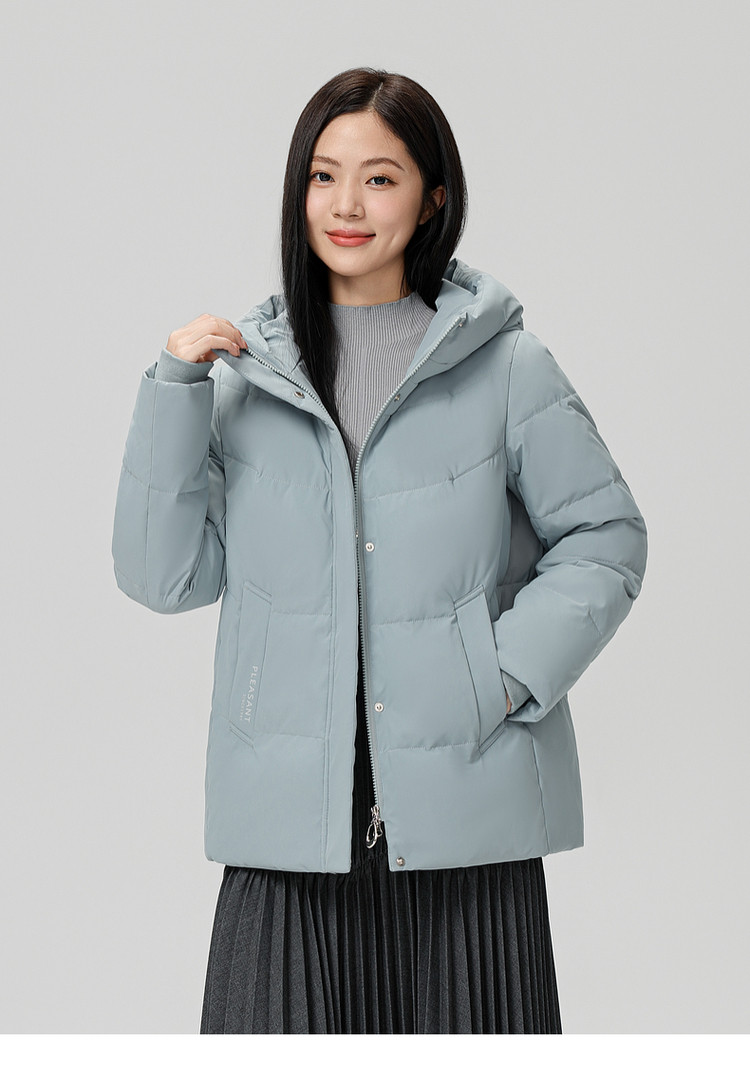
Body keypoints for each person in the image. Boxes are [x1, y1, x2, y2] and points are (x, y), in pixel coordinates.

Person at [111, 67, 648, 1034]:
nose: (347, 206)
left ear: (433, 198)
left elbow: (606, 535)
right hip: (286, 829)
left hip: (467, 828)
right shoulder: (248, 382)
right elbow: (163, 576)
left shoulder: (505, 366)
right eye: (324, 176)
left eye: (380, 178)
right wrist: (172, 395)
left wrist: (500, 678)